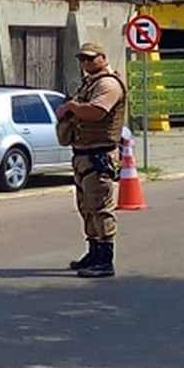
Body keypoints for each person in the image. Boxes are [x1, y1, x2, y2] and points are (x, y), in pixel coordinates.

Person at [55, 42, 128, 279]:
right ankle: (94, 251)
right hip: (83, 154)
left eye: (90, 58)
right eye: (82, 59)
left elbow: (97, 112)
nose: (85, 63)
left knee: (101, 207)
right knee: (86, 208)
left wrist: (72, 107)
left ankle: (105, 259)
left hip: (99, 154)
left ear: (103, 58)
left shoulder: (108, 84)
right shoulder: (89, 84)